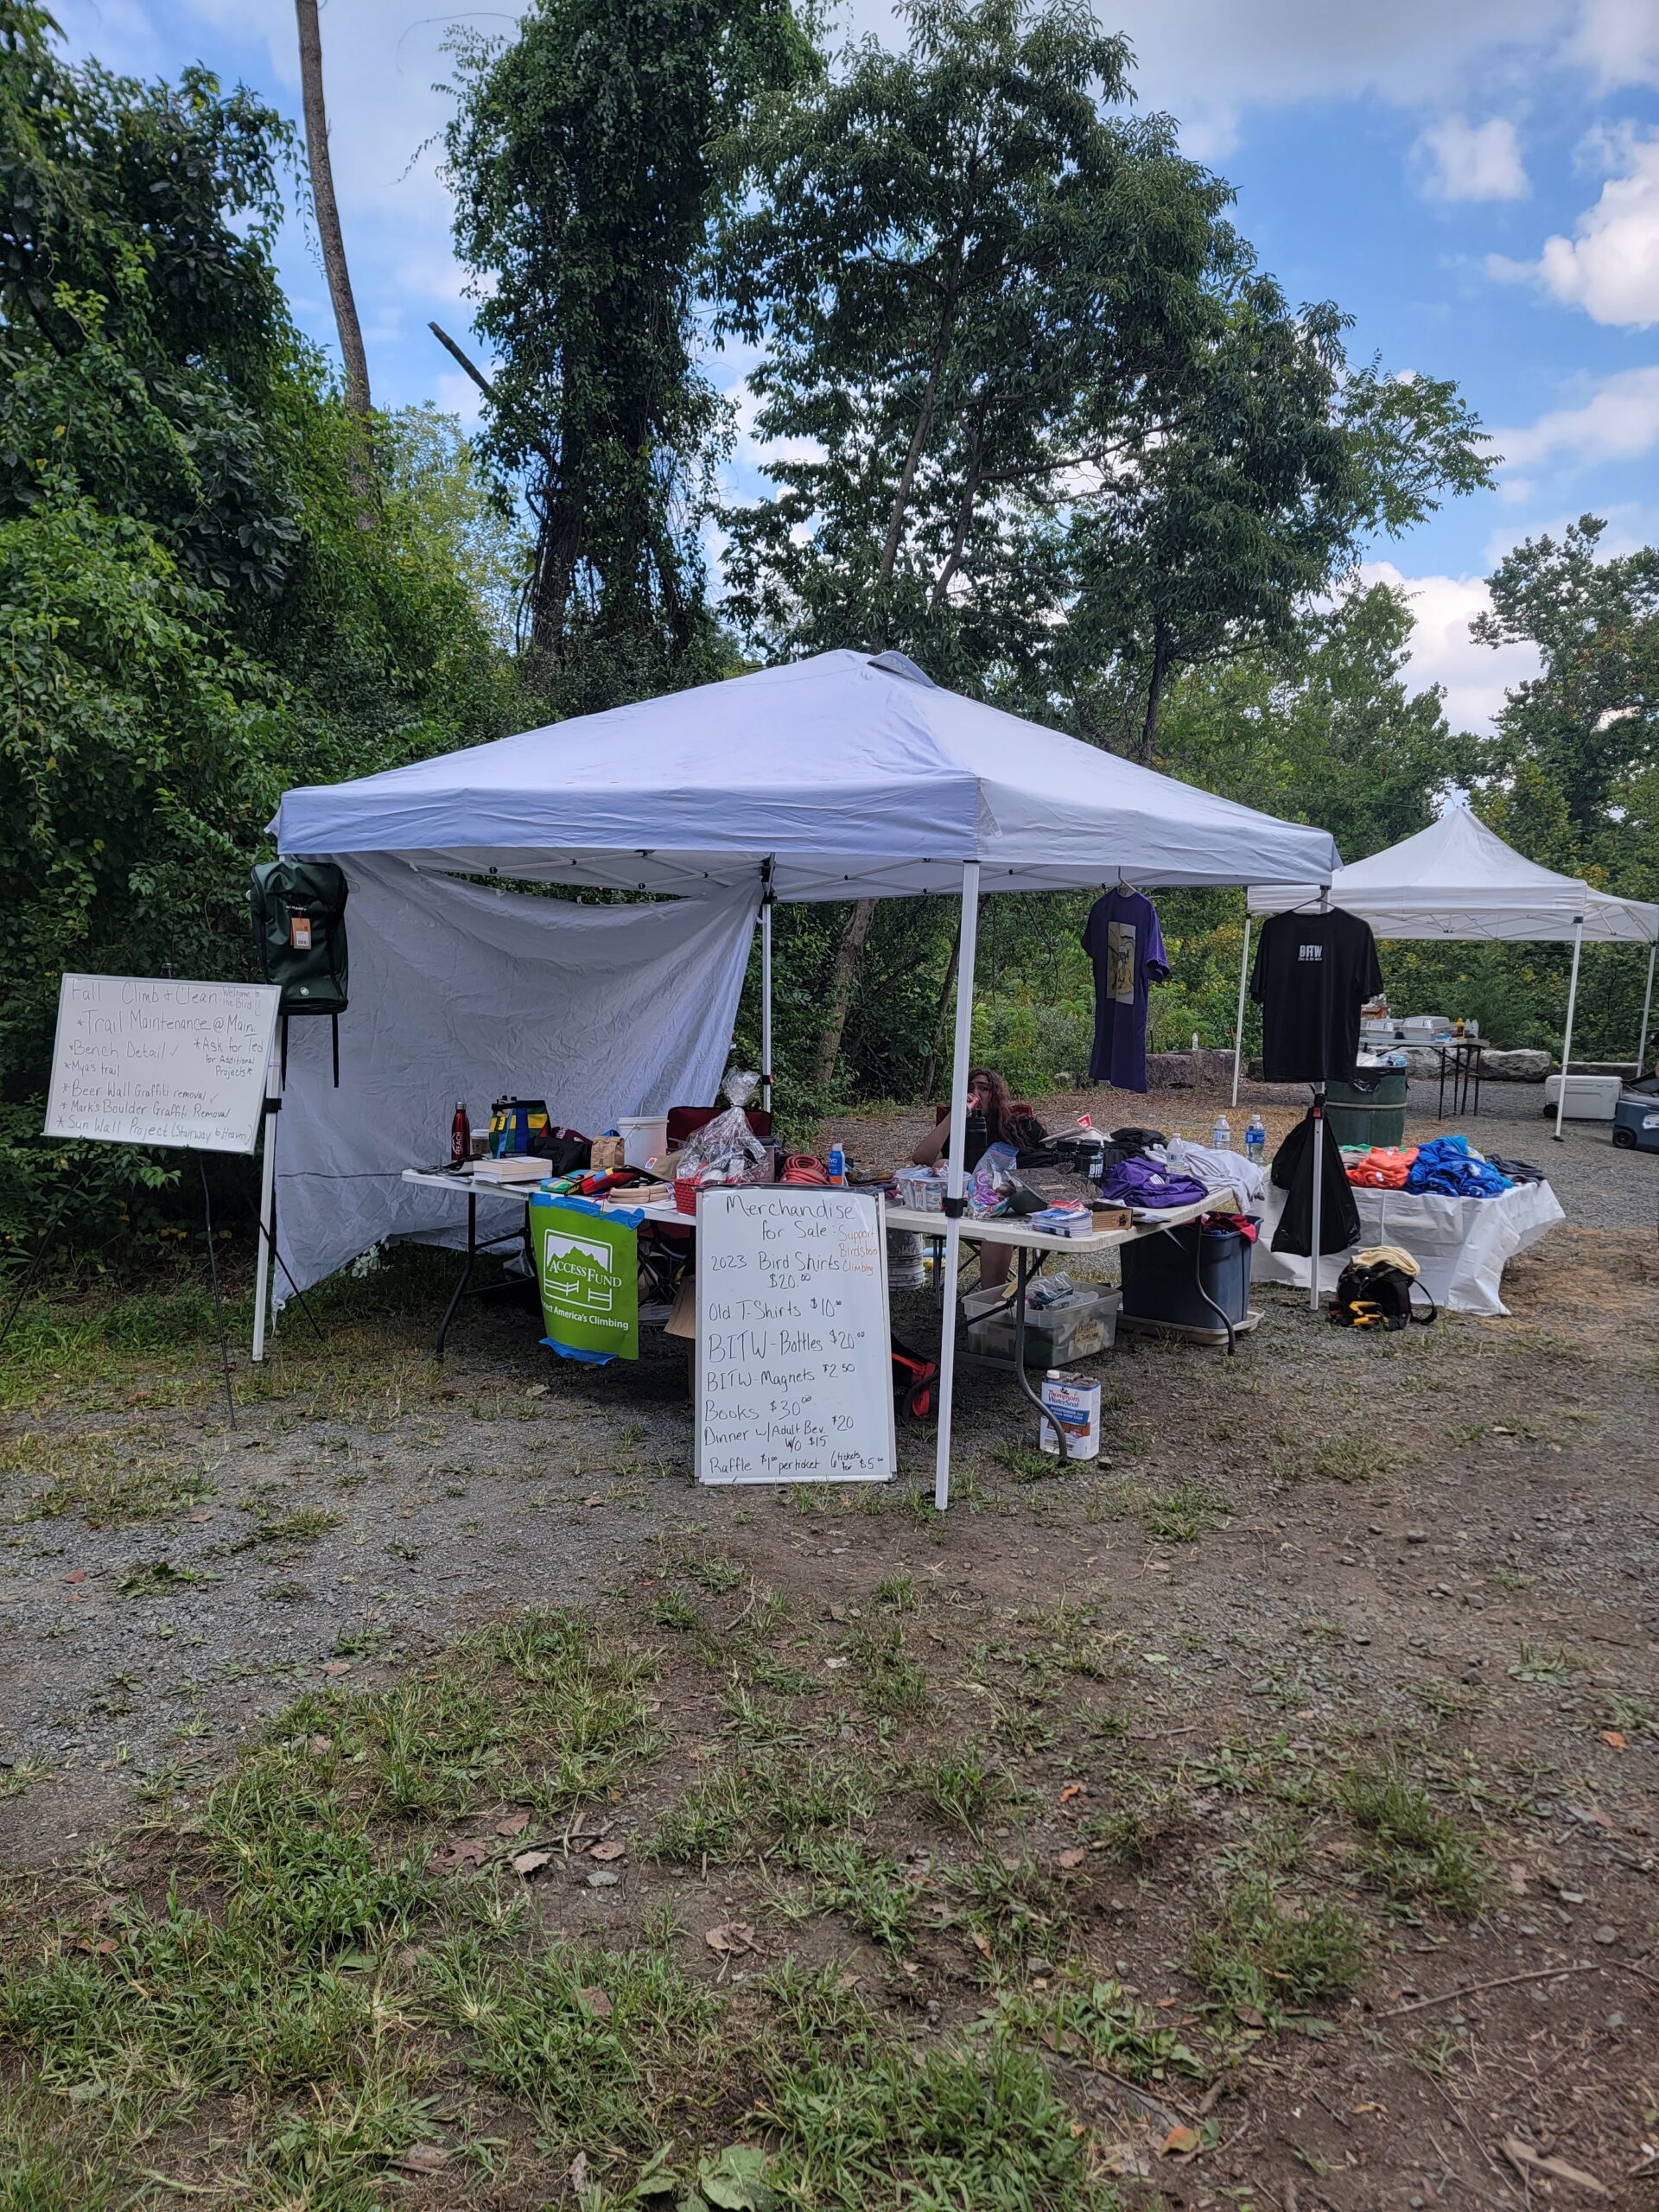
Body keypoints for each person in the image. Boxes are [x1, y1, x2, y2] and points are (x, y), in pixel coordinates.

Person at [911, 1068, 1042, 1292]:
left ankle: (989, 1304)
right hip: (965, 1208)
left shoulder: (1019, 1126)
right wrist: (955, 1116)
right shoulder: (959, 1128)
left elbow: (1044, 1163)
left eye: (983, 1088)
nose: (975, 1094)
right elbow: (921, 1158)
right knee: (940, 1164)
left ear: (995, 1094)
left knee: (997, 1233)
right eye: (970, 1088)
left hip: (1009, 1209)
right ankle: (989, 1304)